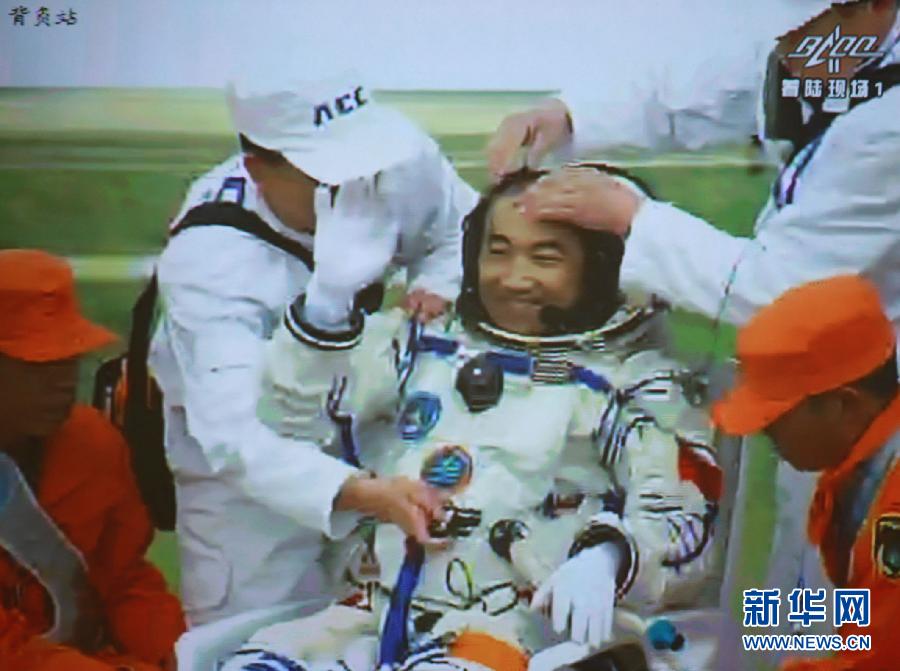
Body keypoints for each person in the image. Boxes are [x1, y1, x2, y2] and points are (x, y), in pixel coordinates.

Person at [486, 0, 900, 663]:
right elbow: (723, 84)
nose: (517, 277)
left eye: (547, 252)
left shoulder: (884, 506)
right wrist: (709, 639)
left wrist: (636, 217)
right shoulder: (828, 45)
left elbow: (869, 638)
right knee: (792, 587)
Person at [222, 167, 728, 671]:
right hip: (372, 613)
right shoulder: (424, 343)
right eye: (498, 250)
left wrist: (609, 556)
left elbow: (682, 521)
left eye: (545, 257)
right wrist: (327, 309)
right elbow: (291, 420)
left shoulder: (633, 385)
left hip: (524, 634)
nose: (512, 277)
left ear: (604, 267)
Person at [149, 70, 479, 626]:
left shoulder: (401, 158)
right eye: (331, 174)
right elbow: (238, 438)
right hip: (250, 496)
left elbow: (462, 229)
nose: (362, 181)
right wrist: (361, 493)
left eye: (366, 159)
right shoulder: (208, 262)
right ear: (259, 170)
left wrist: (438, 287)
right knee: (252, 645)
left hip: (375, 429)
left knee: (396, 629)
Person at [0, 250, 184, 671]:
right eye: (37, 365)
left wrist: (181, 656)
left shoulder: (95, 443)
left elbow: (125, 579)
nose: (63, 384)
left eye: (68, 361)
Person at [712, 275, 899, 671]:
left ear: (841, 406)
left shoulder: (893, 507)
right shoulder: (869, 466)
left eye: (776, 415)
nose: (764, 429)